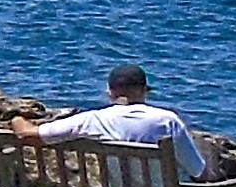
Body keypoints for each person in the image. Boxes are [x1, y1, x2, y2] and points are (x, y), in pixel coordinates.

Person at [37, 65, 212, 180]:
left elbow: (30, 134)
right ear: (144, 91)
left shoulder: (93, 119)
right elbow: (199, 173)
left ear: (110, 93)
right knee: (207, 154)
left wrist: (16, 118)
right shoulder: (167, 121)